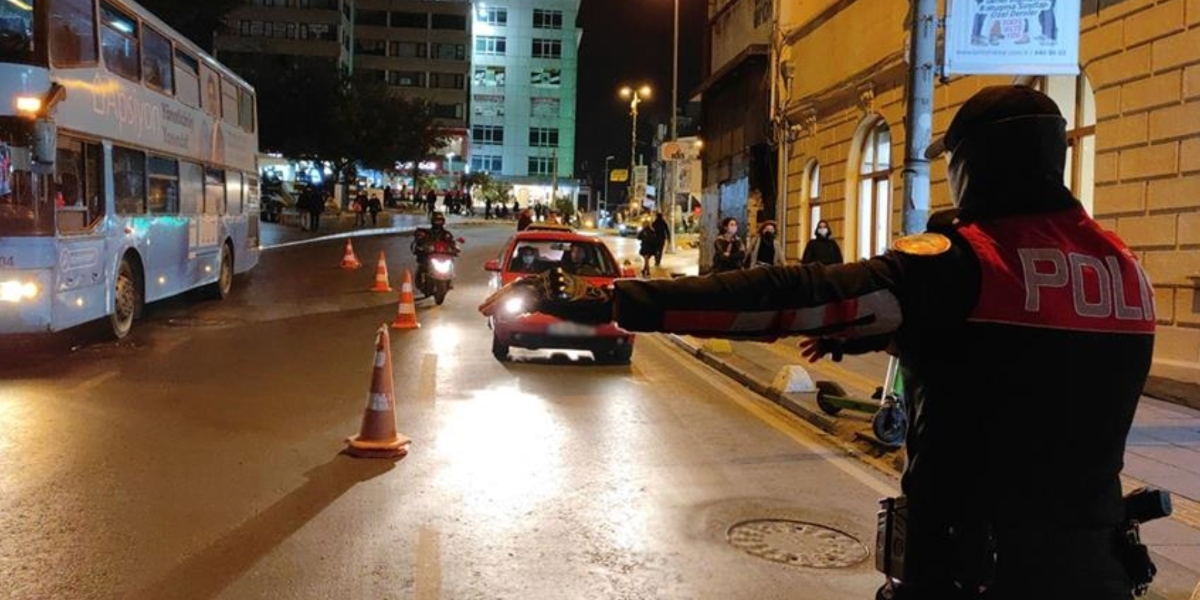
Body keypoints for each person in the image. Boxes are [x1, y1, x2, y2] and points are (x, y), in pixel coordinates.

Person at [480, 85, 1155, 600]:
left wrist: (619, 300)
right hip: (1098, 570)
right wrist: (864, 339)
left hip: (973, 573)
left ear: (973, 164)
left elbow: (789, 296)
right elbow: (1017, 368)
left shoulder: (965, 261)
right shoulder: (1124, 268)